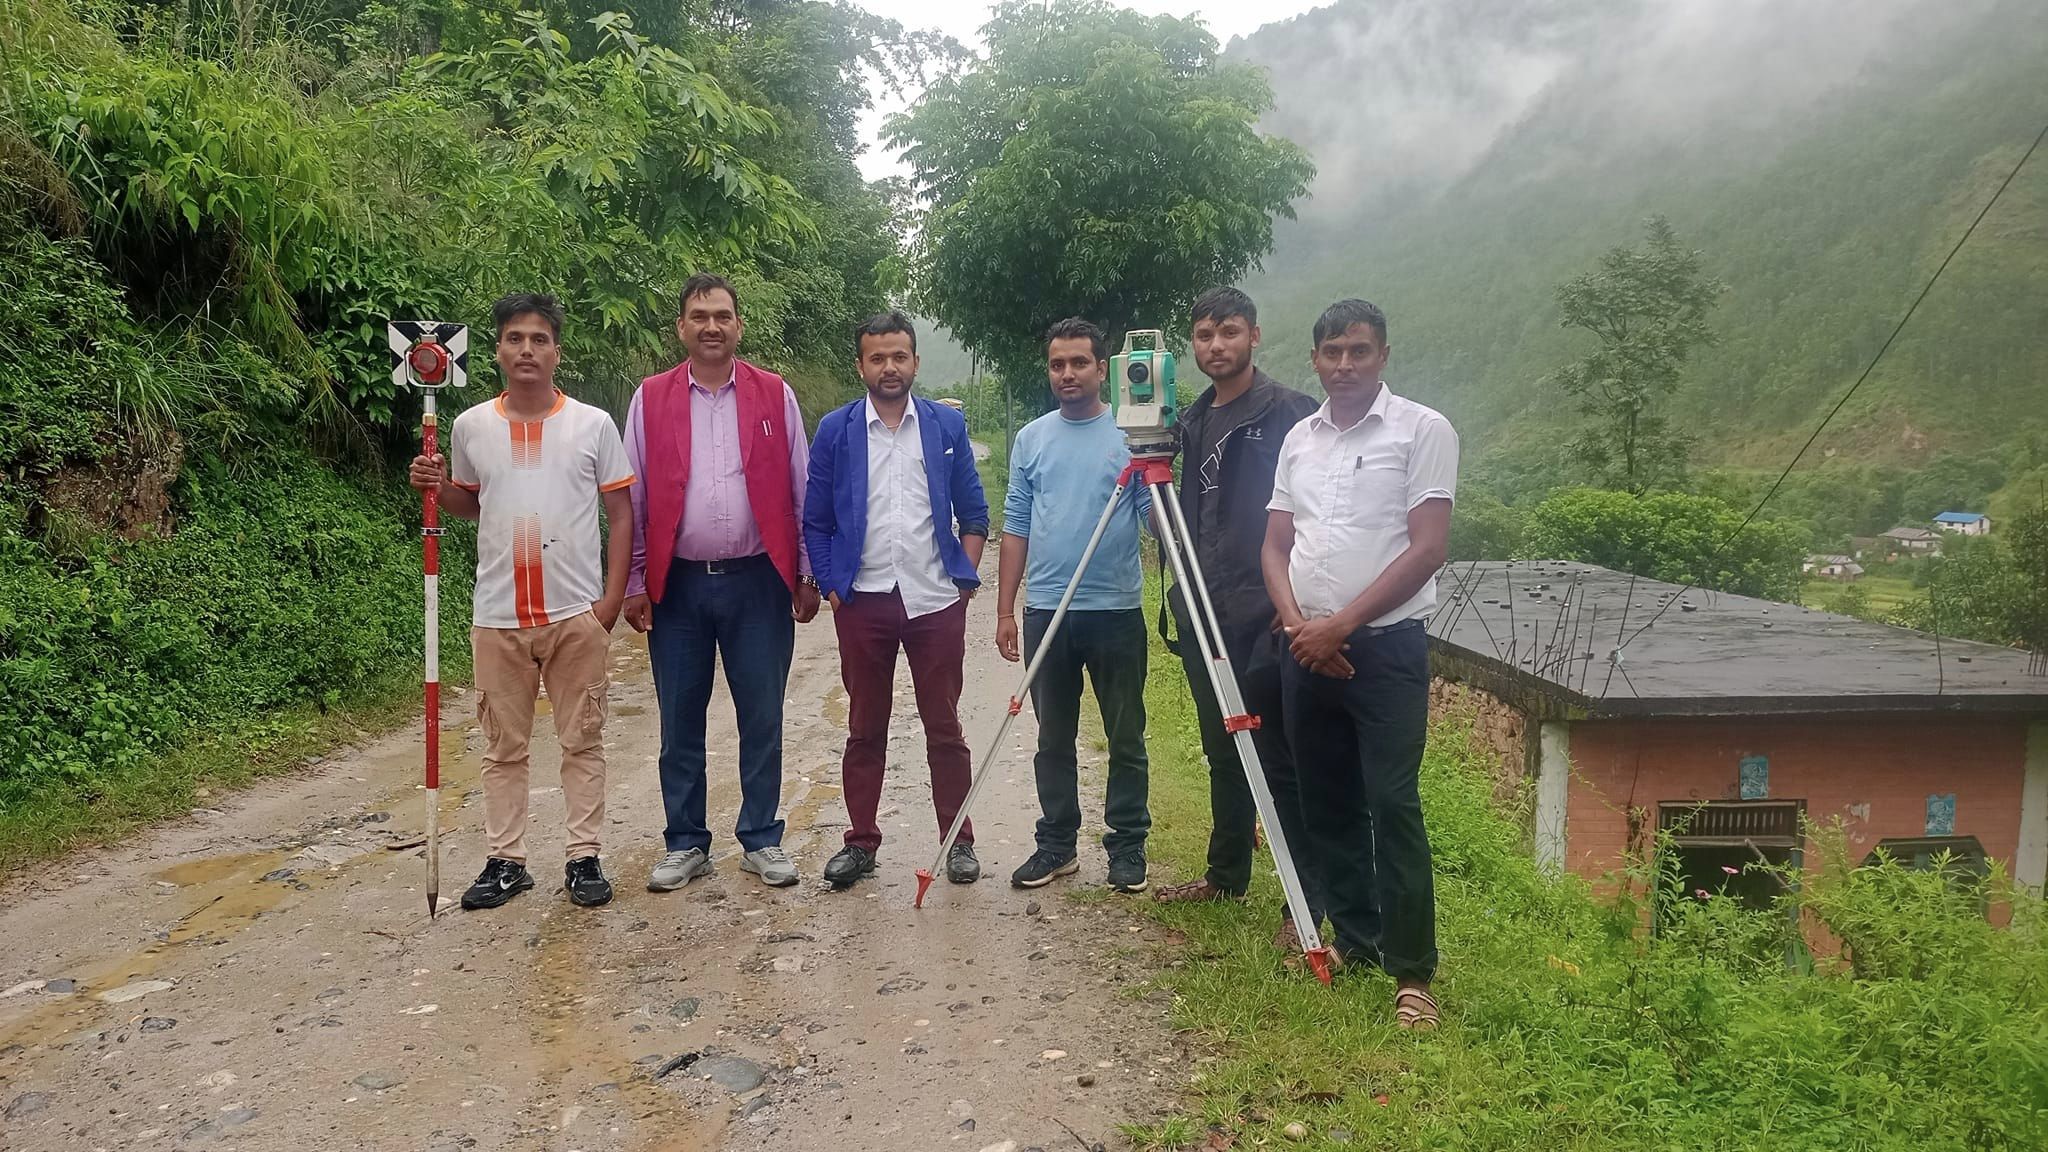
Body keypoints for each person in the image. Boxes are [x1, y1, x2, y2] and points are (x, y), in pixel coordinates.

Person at [1263, 299, 1456, 1028]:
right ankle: (1357, 939)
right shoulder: (1299, 439)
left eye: (1359, 351)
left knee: (1392, 803)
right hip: (1303, 649)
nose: (1344, 365)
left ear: (1382, 356)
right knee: (1326, 800)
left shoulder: (1422, 430)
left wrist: (1340, 626)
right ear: (1315, 359)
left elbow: (1427, 548)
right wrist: (1298, 627)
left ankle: (1413, 975)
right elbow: (1274, 544)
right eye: (1332, 352)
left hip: (1385, 651)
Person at [407, 293, 634, 911]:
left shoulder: (592, 425)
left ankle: (583, 856)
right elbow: (470, 502)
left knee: (581, 740)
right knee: (502, 747)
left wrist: (610, 602)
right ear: (498, 350)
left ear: (557, 350)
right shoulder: (470, 426)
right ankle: (506, 861)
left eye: (539, 339)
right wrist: (437, 486)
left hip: (574, 613)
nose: (527, 349)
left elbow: (620, 512)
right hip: (498, 615)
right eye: (514, 338)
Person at [621, 273, 822, 892]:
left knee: (761, 714)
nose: (712, 326)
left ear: (739, 325)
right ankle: (685, 842)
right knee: (680, 719)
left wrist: (806, 572)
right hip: (677, 586)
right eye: (700, 316)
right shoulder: (650, 398)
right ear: (681, 327)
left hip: (758, 582)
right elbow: (634, 497)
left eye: (723, 316)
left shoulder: (774, 394)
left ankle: (761, 837)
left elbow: (802, 488)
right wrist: (634, 580)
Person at [1151, 287, 1327, 953]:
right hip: (1204, 607)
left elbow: (1316, 514)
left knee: (1280, 759)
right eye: (1204, 335)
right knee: (1223, 750)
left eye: (1228, 332)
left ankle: (1304, 903)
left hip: (1268, 613)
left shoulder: (1291, 413)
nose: (1216, 345)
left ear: (1254, 335)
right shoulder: (1191, 419)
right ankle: (1226, 876)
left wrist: (1296, 603)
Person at [802, 312, 991, 889]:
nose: (889, 367)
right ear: (860, 365)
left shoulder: (944, 426)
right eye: (877, 357)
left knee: (945, 726)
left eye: (899, 356)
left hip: (934, 601)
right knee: (864, 728)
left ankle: (957, 840)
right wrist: (833, 588)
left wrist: (963, 583)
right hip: (863, 601)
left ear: (915, 361)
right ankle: (861, 842)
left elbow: (974, 513)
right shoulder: (836, 430)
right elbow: (816, 520)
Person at [997, 318, 1153, 893]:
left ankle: (1127, 846)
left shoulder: (1131, 434)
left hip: (1115, 610)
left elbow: (1153, 517)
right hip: (1047, 611)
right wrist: (1005, 610)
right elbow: (1016, 523)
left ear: (1102, 369)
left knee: (1126, 734)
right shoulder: (1032, 438)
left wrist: (1159, 475)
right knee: (1052, 738)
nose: (1067, 373)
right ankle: (1057, 844)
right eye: (1058, 364)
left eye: (1079, 363)